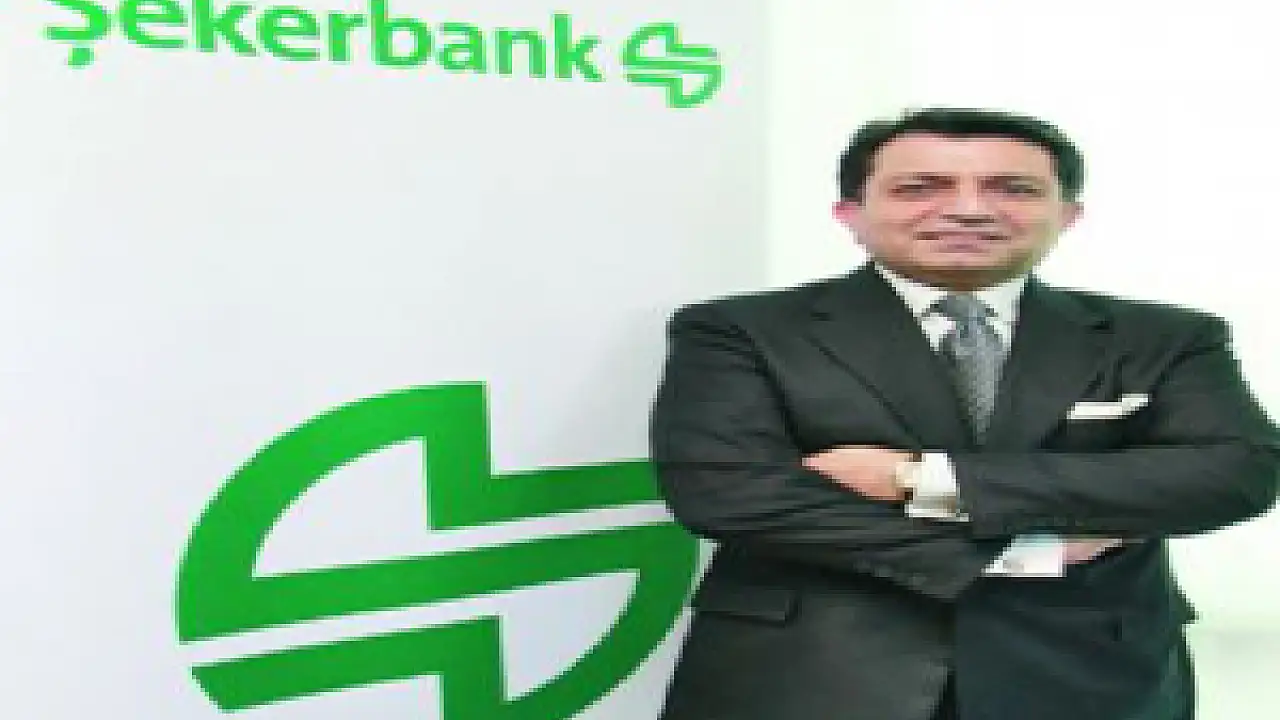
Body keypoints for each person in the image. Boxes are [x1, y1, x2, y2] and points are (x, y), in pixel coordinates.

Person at [649, 107, 1279, 720]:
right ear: (850, 213)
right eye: (920, 187)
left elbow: (1236, 472)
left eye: (1014, 189)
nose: (969, 209)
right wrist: (1021, 553)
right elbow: (728, 492)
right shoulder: (741, 330)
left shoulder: (1165, 337)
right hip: (812, 672)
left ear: (1068, 215)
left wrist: (927, 479)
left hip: (1090, 672)